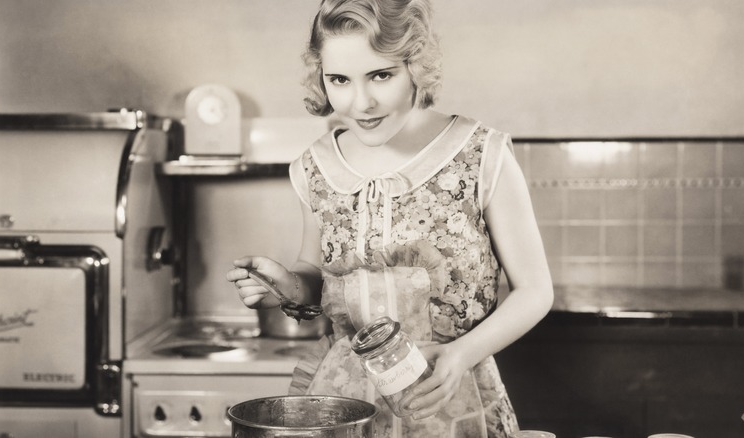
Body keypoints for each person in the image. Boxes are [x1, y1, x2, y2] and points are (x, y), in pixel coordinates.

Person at [226, 0, 554, 436]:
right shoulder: (314, 168)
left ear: (414, 64)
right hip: (345, 403)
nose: (361, 102)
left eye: (381, 75)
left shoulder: (481, 154)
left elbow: (536, 291)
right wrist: (285, 285)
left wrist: (461, 355)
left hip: (450, 394)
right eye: (339, 79)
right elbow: (317, 280)